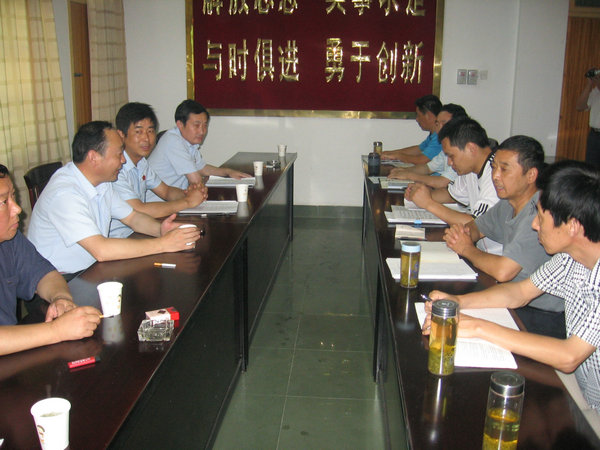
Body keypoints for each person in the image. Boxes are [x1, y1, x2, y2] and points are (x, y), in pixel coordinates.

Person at [423, 160, 600, 410]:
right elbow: (519, 292)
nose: (534, 225)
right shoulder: (570, 259)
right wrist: (458, 301)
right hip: (582, 388)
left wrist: (478, 328)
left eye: (541, 218)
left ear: (572, 226)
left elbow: (568, 356)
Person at [28, 121, 201, 275]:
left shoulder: (102, 183)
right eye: (119, 154)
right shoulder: (65, 194)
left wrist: (160, 230)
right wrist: (163, 244)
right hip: (62, 280)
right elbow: (101, 250)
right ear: (94, 157)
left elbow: (132, 218)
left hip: (91, 269)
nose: (123, 161)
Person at [443, 136, 564, 338]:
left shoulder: (538, 214)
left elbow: (503, 272)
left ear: (531, 175)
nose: (495, 176)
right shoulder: (508, 204)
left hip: (544, 316)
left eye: (504, 169)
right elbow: (474, 228)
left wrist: (466, 248)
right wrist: (460, 235)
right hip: (515, 298)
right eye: (494, 168)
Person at [0, 164, 101, 356]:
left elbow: (44, 274)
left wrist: (61, 298)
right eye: (4, 201)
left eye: (13, 196)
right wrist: (56, 331)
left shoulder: (9, 241)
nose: (17, 209)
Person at [404, 117, 501, 254]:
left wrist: (428, 203)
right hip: (478, 249)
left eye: (451, 156)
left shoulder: (496, 175)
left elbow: (476, 225)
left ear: (471, 148)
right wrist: (421, 194)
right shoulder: (470, 168)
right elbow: (451, 194)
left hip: (496, 255)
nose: (449, 162)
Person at [110, 102, 208, 238]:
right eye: (138, 132)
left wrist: (189, 194)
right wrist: (187, 202)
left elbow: (166, 191)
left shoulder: (141, 163)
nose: (146, 138)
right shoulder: (115, 169)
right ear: (121, 135)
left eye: (150, 131)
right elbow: (139, 209)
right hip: (119, 237)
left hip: (140, 230)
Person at [146, 99, 250, 201]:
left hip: (177, 200)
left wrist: (228, 172)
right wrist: (204, 181)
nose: (202, 131)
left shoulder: (188, 142)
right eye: (196, 125)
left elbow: (202, 168)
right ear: (180, 125)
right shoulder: (172, 141)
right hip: (157, 204)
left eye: (205, 125)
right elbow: (196, 181)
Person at [388, 103, 467, 188]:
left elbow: (442, 182)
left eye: (444, 124)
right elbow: (427, 168)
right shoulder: (445, 148)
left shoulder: (461, 150)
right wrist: (404, 171)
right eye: (437, 124)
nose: (439, 128)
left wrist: (410, 175)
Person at [380, 94, 443, 164]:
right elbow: (419, 149)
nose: (417, 119)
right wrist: (390, 153)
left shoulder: (440, 137)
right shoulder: (433, 135)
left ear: (429, 115)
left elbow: (421, 160)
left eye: (418, 115)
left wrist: (398, 156)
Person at [576, 68, 600, 168]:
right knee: (591, 168)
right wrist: (589, 84)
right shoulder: (596, 92)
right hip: (595, 135)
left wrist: (598, 83)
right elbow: (579, 107)